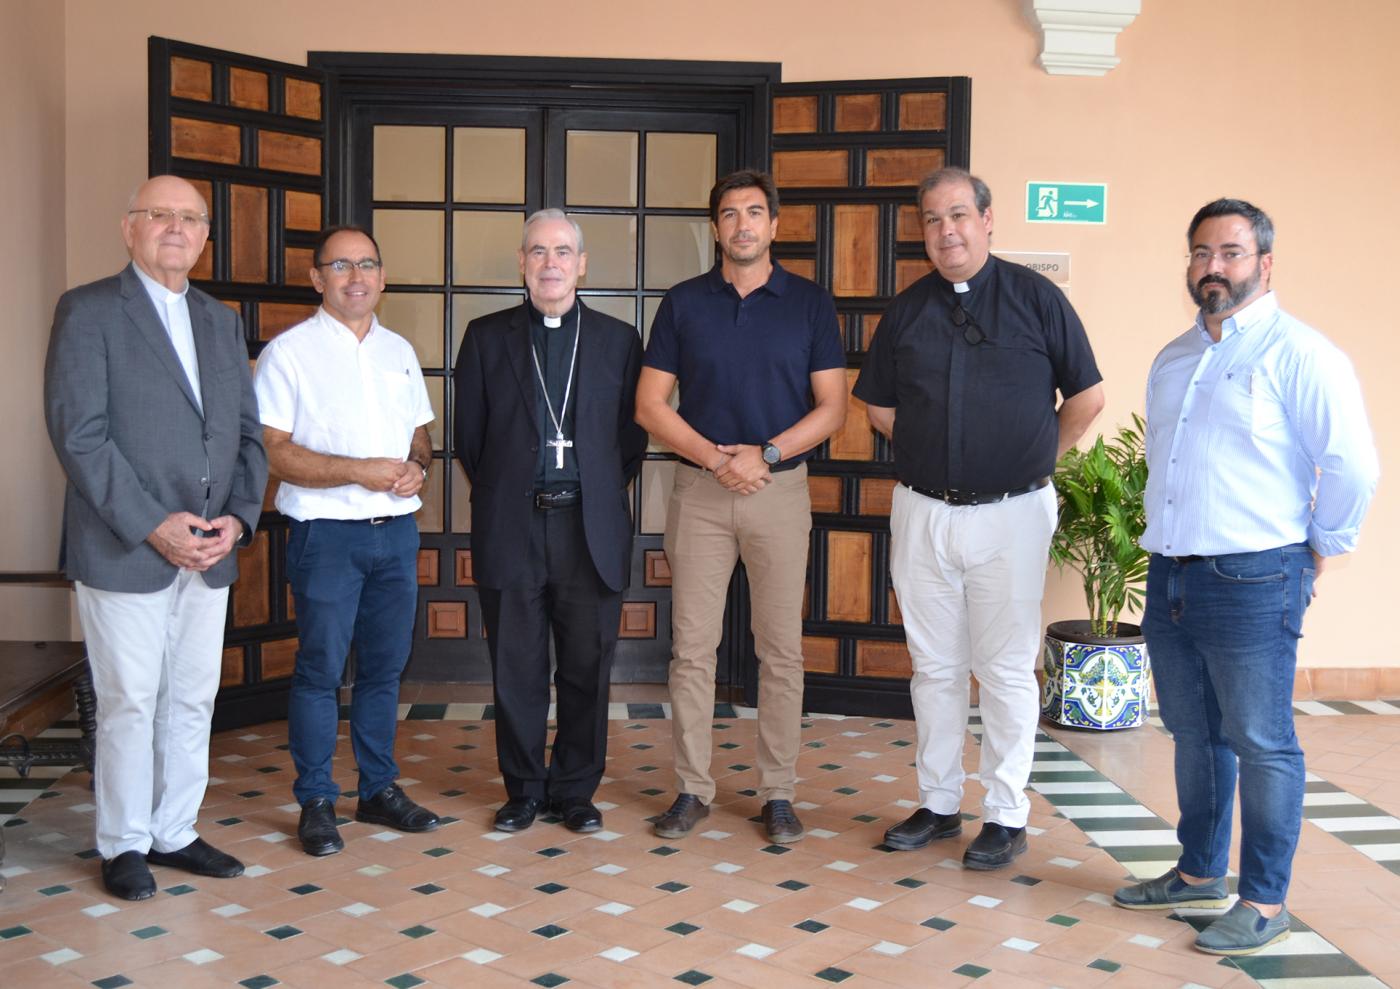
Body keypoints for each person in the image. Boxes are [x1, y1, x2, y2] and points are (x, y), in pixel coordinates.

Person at [1113, 199, 1378, 954]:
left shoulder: (1303, 354)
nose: (1213, 267)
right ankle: (1199, 872)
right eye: (1201, 253)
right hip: (1172, 574)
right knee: (1195, 734)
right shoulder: (1174, 357)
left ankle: (1264, 900)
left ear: (1265, 263)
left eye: (1230, 252)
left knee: (1262, 740)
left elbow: (1353, 465)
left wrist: (1319, 546)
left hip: (1256, 577)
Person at [854, 167, 1104, 870]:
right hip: (924, 513)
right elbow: (878, 407)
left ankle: (1005, 811)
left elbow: (1087, 397)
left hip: (1013, 514)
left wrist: (1030, 458)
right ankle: (937, 802)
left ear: (988, 220)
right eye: (932, 220)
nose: (946, 231)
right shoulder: (905, 310)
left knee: (1003, 670)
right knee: (933, 667)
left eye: (959, 215)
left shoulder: (1037, 299)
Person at [44, 175, 268, 900]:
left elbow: (246, 434)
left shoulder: (220, 320)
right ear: (129, 227)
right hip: (124, 545)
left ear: (206, 236)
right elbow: (80, 438)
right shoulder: (88, 311)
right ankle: (123, 842)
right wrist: (153, 524)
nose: (175, 228)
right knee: (131, 698)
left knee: (192, 697)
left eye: (190, 218)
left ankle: (175, 829)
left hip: (211, 547)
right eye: (159, 215)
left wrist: (238, 515)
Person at [636, 169, 847, 844]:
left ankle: (778, 792)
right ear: (716, 227)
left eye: (755, 213)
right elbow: (648, 406)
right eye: (730, 214)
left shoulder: (810, 304)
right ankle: (693, 788)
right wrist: (716, 458)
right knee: (693, 650)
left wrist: (767, 455)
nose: (743, 225)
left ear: (775, 225)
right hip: (700, 492)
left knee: (781, 651)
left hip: (779, 492)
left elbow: (833, 408)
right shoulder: (684, 303)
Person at [452, 209, 646, 834]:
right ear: (522, 262)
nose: (551, 264)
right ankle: (524, 789)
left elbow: (629, 440)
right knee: (517, 667)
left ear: (582, 264)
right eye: (538, 252)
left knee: (588, 667)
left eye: (563, 252)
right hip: (513, 524)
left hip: (587, 529)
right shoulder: (485, 336)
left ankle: (576, 789)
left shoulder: (619, 340)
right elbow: (471, 441)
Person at [254, 225, 440, 857]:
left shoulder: (399, 351)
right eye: (341, 265)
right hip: (325, 535)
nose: (356, 277)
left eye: (367, 265)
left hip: (396, 534)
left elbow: (420, 436)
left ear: (382, 277)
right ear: (317, 278)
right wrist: (359, 470)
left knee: (385, 670)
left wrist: (418, 466)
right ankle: (316, 800)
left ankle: (379, 789)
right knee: (320, 671)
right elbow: (275, 453)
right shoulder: (289, 353)